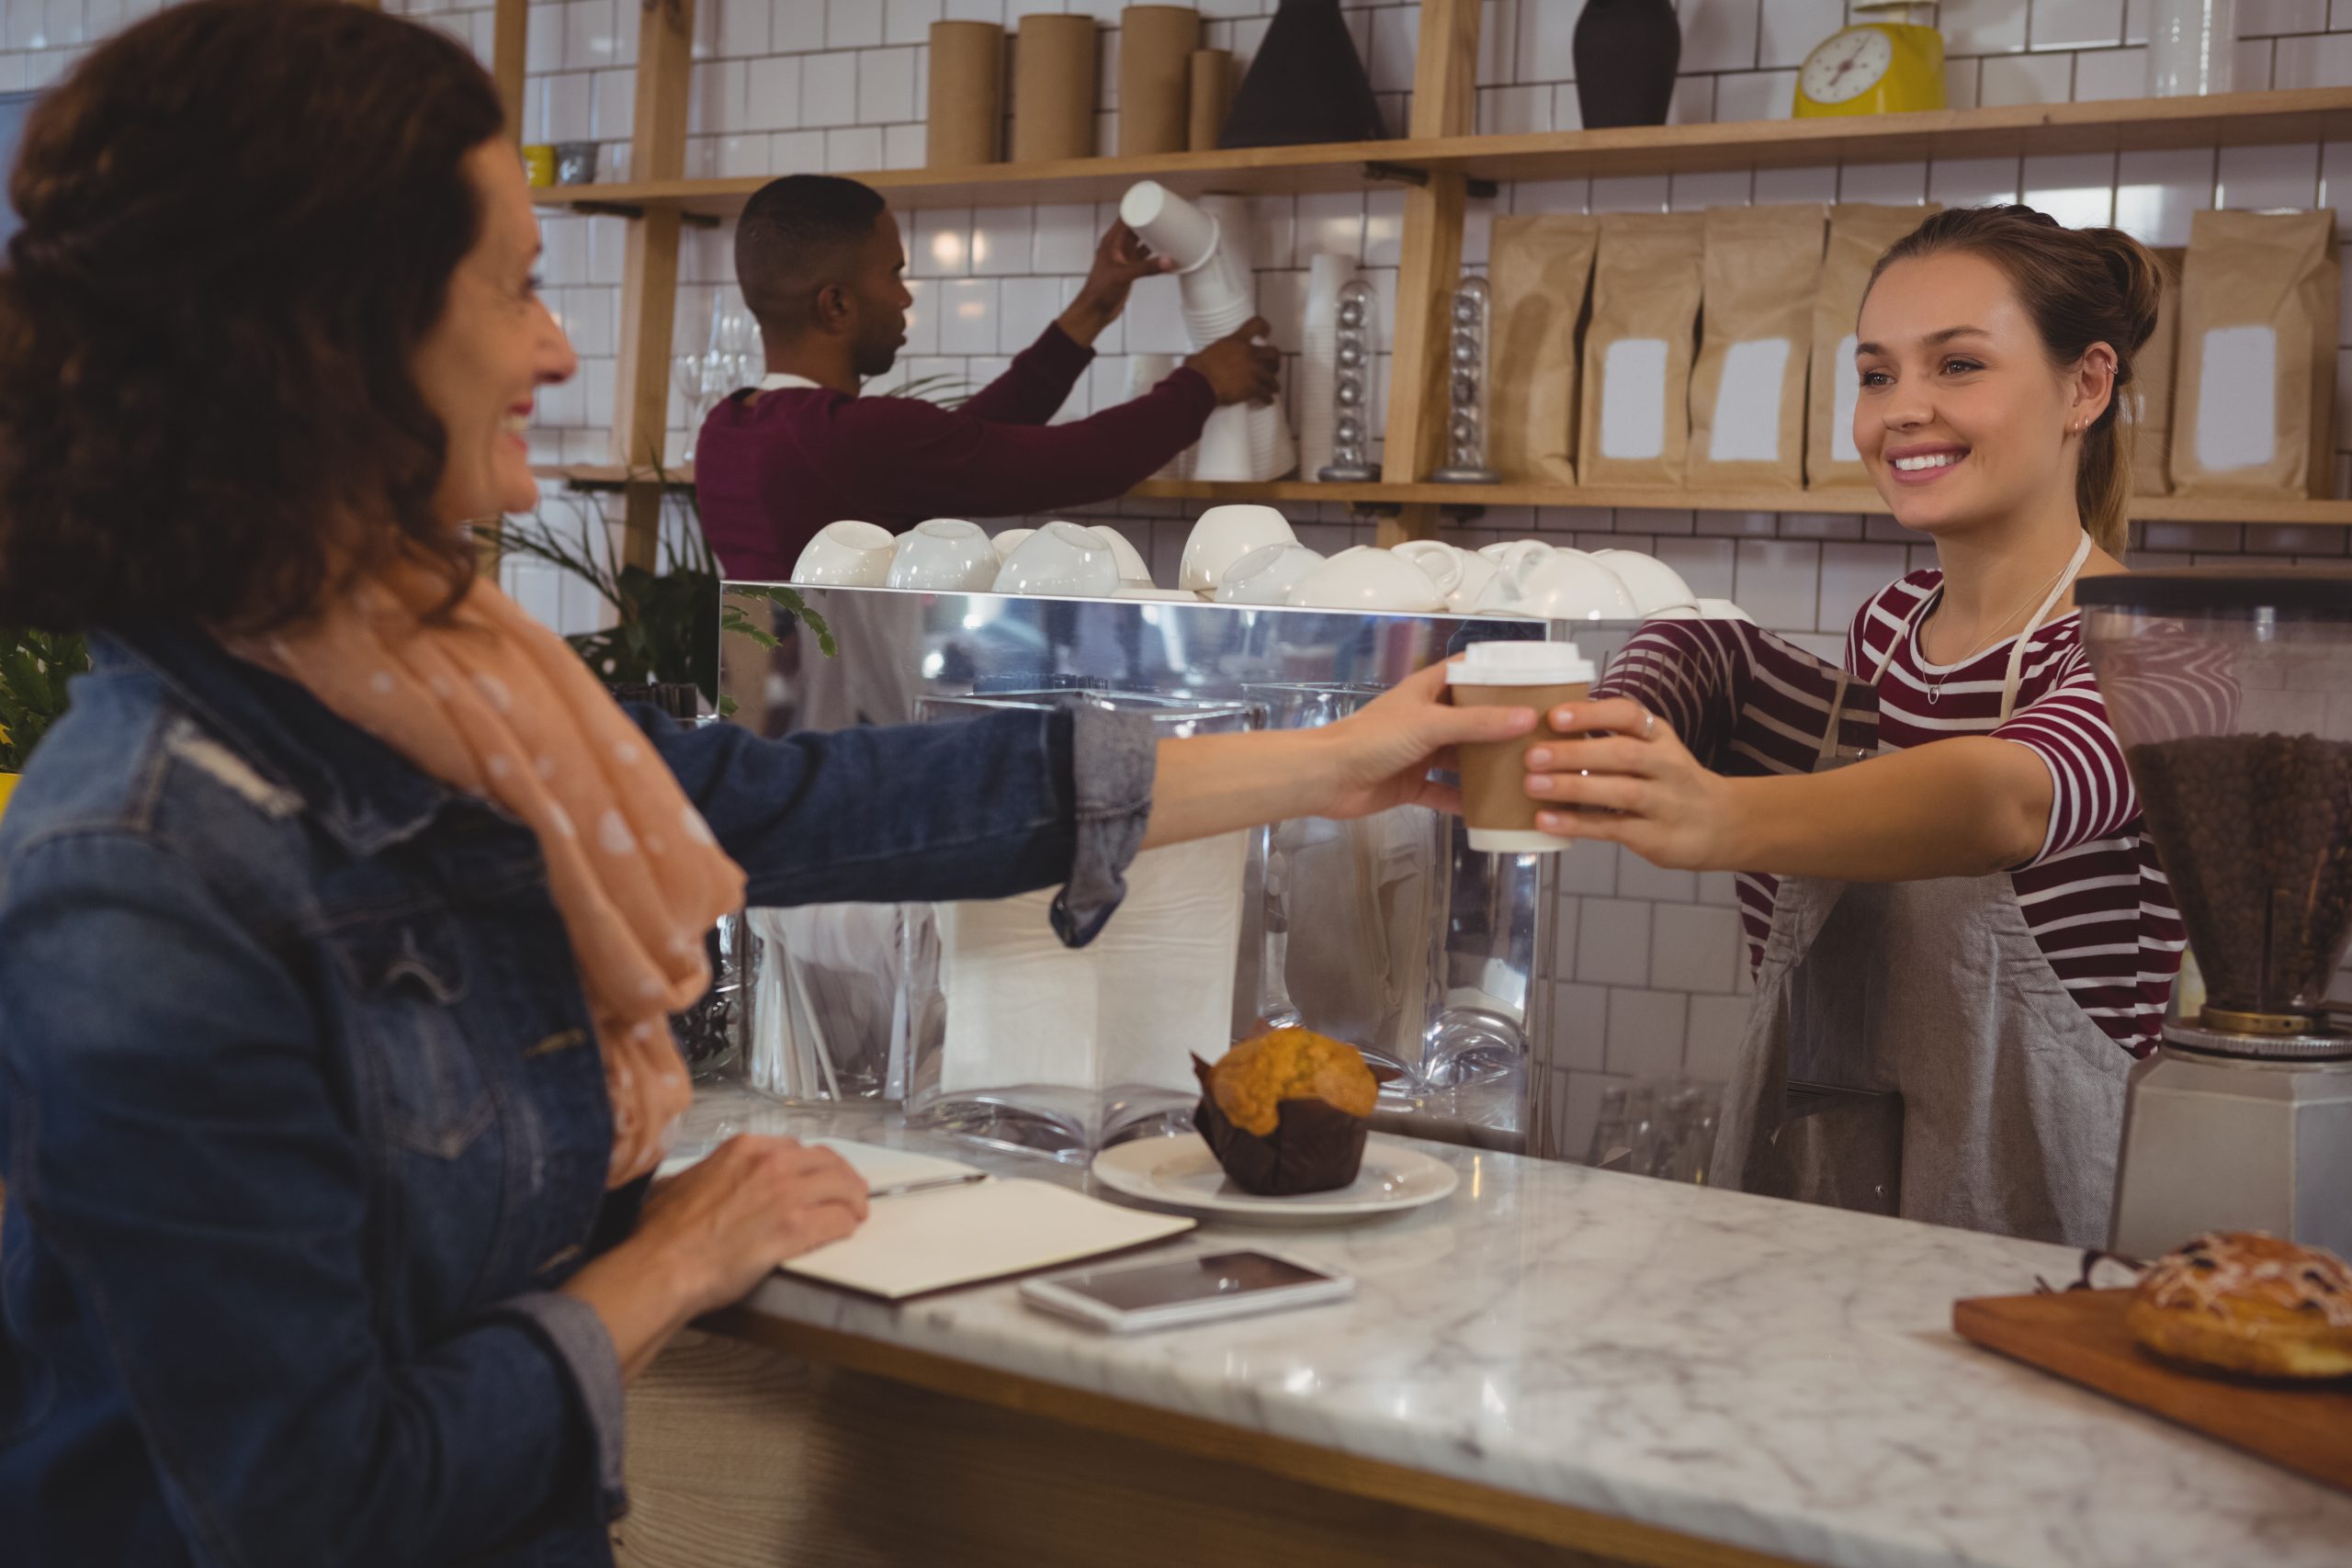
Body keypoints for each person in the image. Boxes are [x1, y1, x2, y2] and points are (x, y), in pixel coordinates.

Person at [0, 6, 1530, 1565]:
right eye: (516, 288)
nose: (559, 345)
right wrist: (668, 1260)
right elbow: (326, 1503)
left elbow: (845, 801)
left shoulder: (461, 718)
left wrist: (1342, 760)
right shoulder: (141, 879)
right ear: (337, 340)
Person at [1526, 207, 2172, 1248]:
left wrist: (1719, 819)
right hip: (1846, 1213)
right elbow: (1712, 654)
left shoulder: (2156, 655)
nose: (1902, 410)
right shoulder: (1887, 634)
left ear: (2085, 386)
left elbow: (2000, 800)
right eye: (1876, 376)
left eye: (1957, 366)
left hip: (2061, 1247)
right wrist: (1611, 726)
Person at [695, 174, 1281, 580]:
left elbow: (959, 443)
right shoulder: (852, 437)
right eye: (895, 274)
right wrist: (1201, 382)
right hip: (858, 725)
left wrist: (1091, 311)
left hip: (775, 722)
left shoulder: (728, 429)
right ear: (837, 306)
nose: (903, 298)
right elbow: (1076, 461)